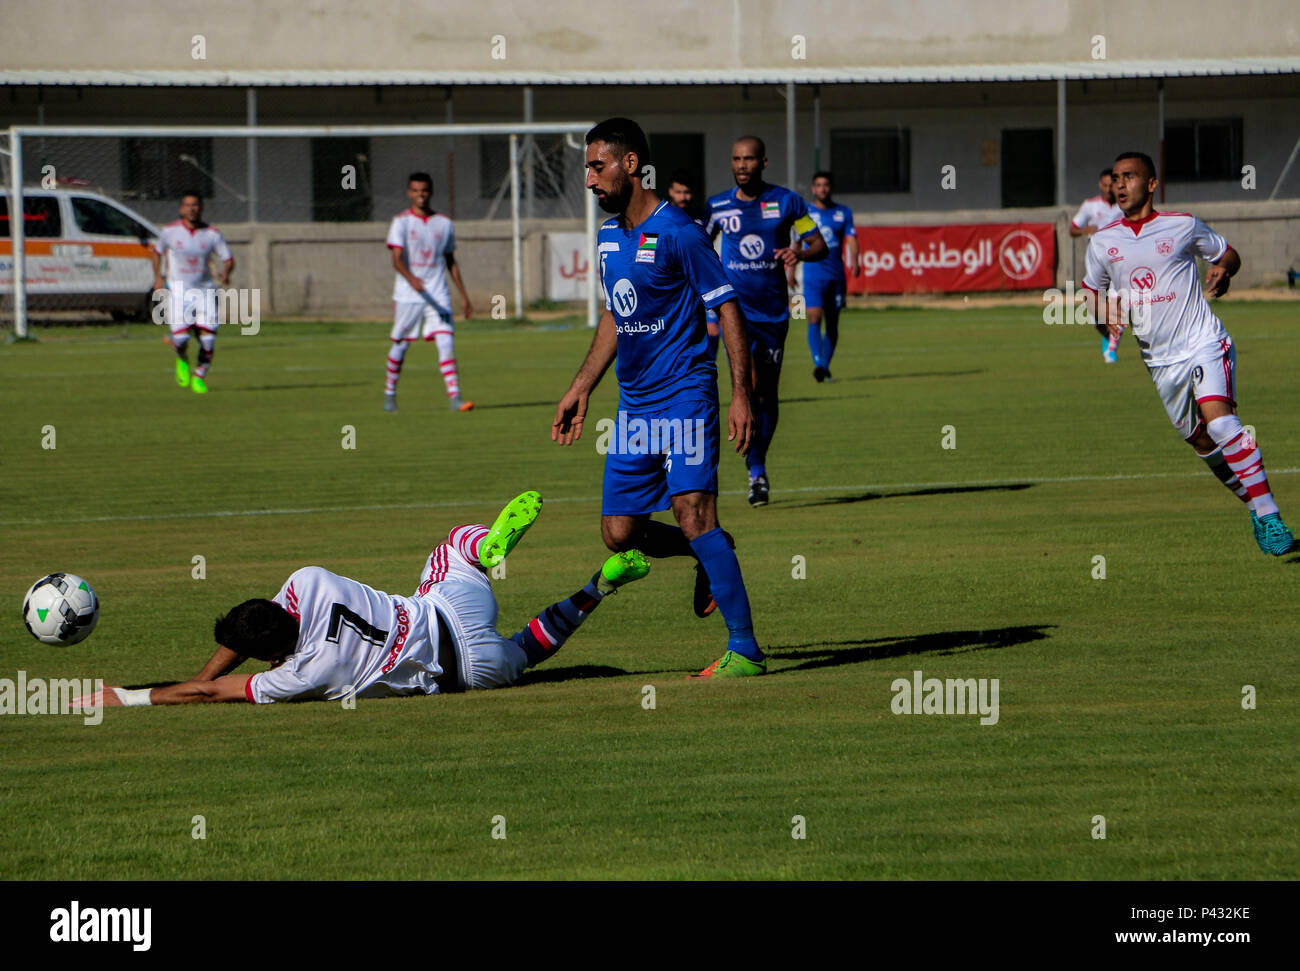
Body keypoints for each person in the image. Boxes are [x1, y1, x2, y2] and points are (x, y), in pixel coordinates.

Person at [83, 493, 651, 707]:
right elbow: (246, 641)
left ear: (265, 654)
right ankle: (489, 543)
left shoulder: (302, 674)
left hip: (469, 674)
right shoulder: (308, 581)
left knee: (526, 653)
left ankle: (598, 587)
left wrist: (126, 698)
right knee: (455, 544)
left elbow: (210, 690)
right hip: (452, 607)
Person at [552, 117, 766, 679]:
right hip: (635, 406)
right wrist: (580, 387)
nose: (591, 181)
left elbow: (727, 307)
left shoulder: (680, 232)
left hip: (687, 394)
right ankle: (712, 550)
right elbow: (613, 316)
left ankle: (744, 649)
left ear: (629, 164)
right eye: (588, 171)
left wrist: (741, 394)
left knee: (692, 511)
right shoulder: (607, 237)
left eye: (597, 168)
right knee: (619, 534)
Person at [1083, 151, 1293, 555]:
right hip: (1160, 362)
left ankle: (1270, 515)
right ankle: (1255, 505)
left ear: (1151, 184)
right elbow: (1092, 295)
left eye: (1129, 176)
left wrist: (1224, 270)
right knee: (1200, 442)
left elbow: (1227, 254)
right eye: (1116, 178)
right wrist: (1102, 315)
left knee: (1220, 423)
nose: (1120, 184)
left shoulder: (1182, 225)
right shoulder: (1103, 242)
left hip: (1203, 341)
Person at [706, 136, 827, 506]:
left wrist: (798, 251)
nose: (741, 165)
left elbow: (819, 243)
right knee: (749, 385)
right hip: (735, 313)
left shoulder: (788, 202)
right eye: (736, 159)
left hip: (774, 313)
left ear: (763, 162)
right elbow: (697, 247)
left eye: (749, 159)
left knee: (766, 394)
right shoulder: (718, 207)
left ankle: (757, 463)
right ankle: (756, 471)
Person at [384, 172, 474, 413]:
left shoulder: (444, 223)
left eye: (424, 190)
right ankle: (390, 394)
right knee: (401, 345)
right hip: (408, 295)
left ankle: (455, 398)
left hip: (438, 293)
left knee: (446, 342)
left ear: (430, 192)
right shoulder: (401, 222)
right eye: (415, 190)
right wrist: (411, 278)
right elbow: (396, 259)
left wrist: (463, 296)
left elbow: (451, 261)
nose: (420, 195)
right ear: (409, 193)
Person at [151, 191, 233, 395]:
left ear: (202, 208)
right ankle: (182, 358)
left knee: (208, 339)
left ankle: (199, 376)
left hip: (204, 290)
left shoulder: (212, 234)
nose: (192, 208)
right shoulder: (169, 232)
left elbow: (228, 258)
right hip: (179, 291)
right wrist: (158, 278)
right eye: (187, 205)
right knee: (181, 340)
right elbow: (156, 252)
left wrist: (226, 271)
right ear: (181, 209)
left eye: (195, 205)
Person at [790, 171, 859, 382]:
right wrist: (790, 272)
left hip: (836, 276)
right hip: (812, 275)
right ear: (813, 188)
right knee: (813, 316)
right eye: (818, 185)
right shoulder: (805, 213)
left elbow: (852, 239)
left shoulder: (843, 213)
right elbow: (797, 242)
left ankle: (824, 366)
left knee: (832, 323)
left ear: (830, 187)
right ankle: (819, 363)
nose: (822, 188)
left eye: (826, 185)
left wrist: (855, 260)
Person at [1071, 168, 1125, 362]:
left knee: (1118, 298)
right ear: (1100, 185)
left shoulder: (1124, 206)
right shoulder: (1090, 206)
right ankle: (1104, 330)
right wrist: (1087, 229)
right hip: (1096, 257)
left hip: (1119, 257)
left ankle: (1111, 348)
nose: (1109, 188)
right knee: (1096, 302)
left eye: (1112, 184)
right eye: (1105, 184)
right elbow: (1072, 229)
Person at [666, 169, 718, 358]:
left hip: (699, 285)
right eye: (679, 192)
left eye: (687, 192)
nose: (683, 197)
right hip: (671, 286)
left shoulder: (701, 218)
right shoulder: (661, 217)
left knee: (712, 330)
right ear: (671, 192)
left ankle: (707, 373)